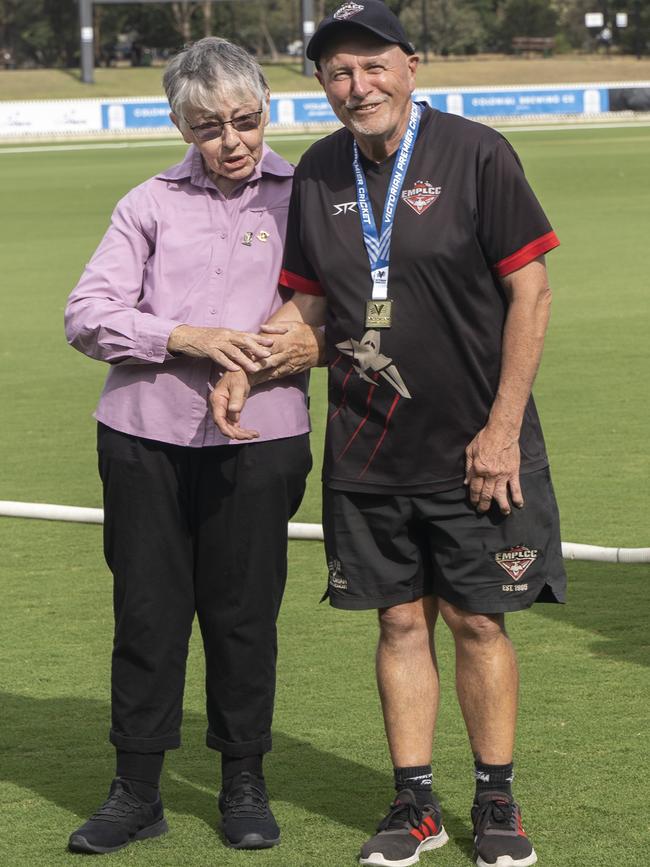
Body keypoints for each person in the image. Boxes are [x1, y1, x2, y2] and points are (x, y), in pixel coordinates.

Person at [212, 3, 567, 866]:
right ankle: (415, 805)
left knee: (478, 623)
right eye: (337, 72)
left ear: (412, 66)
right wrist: (245, 363)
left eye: (373, 66)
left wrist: (503, 430)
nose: (356, 85)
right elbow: (307, 303)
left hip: (476, 447)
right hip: (366, 449)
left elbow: (532, 292)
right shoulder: (321, 169)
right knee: (400, 624)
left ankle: (496, 801)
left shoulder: (478, 153)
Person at [64, 37, 321, 855]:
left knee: (244, 617)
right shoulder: (146, 203)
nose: (233, 141)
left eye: (246, 120)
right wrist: (185, 334)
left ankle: (243, 782)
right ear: (181, 124)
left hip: (262, 440)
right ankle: (135, 788)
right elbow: (87, 314)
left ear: (267, 112)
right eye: (210, 127)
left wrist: (264, 352)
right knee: (147, 615)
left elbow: (339, 309)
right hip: (142, 437)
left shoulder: (308, 198)